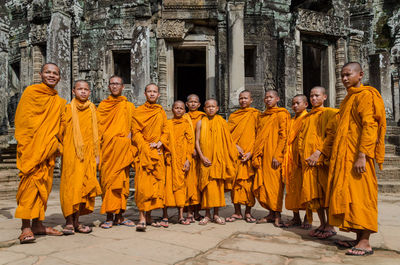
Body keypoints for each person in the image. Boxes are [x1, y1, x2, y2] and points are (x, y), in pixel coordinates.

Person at [322, 62, 386, 256]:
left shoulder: (366, 95)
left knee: (362, 197)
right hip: (345, 156)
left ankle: (365, 241)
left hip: (358, 156)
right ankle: (358, 238)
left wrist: (362, 155)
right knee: (350, 197)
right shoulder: (349, 99)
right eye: (342, 75)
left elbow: (370, 126)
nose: (344, 79)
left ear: (360, 75)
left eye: (348, 74)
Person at [15, 63, 65, 243]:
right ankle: (25, 227)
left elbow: (59, 126)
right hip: (32, 149)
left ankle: (38, 224)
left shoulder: (58, 101)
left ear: (59, 77)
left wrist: (57, 144)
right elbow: (22, 120)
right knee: (28, 188)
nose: (51, 76)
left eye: (55, 73)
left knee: (43, 188)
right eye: (48, 72)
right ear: (41, 74)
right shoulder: (31, 93)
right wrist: (28, 145)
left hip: (47, 150)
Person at [60, 80, 102, 235]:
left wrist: (97, 155)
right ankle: (69, 222)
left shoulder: (93, 109)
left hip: (88, 155)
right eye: (80, 89)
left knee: (82, 189)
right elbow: (60, 131)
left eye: (86, 89)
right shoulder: (67, 109)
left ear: (90, 92)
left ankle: (77, 222)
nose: (83, 92)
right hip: (72, 155)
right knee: (70, 188)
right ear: (73, 91)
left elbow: (97, 133)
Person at [298, 87, 338, 238]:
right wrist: (303, 156)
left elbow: (332, 136)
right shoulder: (307, 118)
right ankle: (322, 224)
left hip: (323, 161)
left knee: (326, 193)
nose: (314, 98)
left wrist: (318, 152)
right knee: (314, 195)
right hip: (309, 162)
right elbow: (302, 139)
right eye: (311, 95)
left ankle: (330, 226)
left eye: (317, 95)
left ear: (325, 97)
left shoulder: (331, 113)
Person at [97, 75, 135, 229]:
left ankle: (120, 216)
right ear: (108, 86)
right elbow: (97, 128)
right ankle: (108, 216)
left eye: (117, 84)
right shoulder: (103, 106)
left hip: (123, 150)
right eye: (112, 84)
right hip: (107, 149)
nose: (114, 86)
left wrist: (127, 140)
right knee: (108, 183)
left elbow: (134, 127)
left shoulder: (129, 106)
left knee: (123, 185)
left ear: (122, 87)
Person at [132, 83, 168, 231]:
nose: (152, 94)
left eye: (155, 92)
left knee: (155, 187)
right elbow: (135, 132)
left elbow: (166, 130)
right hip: (144, 152)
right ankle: (141, 217)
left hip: (157, 153)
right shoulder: (138, 111)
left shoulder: (161, 112)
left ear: (158, 95)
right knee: (142, 187)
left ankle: (149, 216)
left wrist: (160, 143)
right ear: (145, 94)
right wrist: (145, 146)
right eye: (149, 91)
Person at [195, 99, 237, 225]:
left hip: (218, 160)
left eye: (213, 106)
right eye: (208, 107)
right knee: (207, 188)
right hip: (205, 160)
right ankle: (207, 215)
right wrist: (202, 157)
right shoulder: (200, 122)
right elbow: (196, 141)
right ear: (204, 108)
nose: (211, 109)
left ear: (217, 108)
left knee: (218, 188)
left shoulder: (222, 122)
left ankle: (217, 214)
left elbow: (227, 141)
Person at [252, 90, 290, 227]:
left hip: (274, 155)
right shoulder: (262, 116)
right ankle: (270, 213)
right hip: (263, 156)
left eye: (271, 97)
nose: (268, 99)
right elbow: (258, 136)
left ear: (277, 99)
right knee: (265, 186)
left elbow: (284, 135)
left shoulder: (281, 114)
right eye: (266, 97)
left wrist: (278, 154)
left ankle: (277, 214)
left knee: (275, 186)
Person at [225, 90, 259, 223]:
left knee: (248, 185)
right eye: (241, 98)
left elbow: (259, 136)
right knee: (235, 185)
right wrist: (235, 146)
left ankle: (248, 212)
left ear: (251, 100)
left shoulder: (256, 115)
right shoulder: (234, 116)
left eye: (245, 98)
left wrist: (250, 152)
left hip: (250, 154)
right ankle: (237, 212)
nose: (243, 101)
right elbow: (227, 135)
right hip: (236, 155)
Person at [163, 100, 193, 225]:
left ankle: (180, 215)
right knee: (167, 187)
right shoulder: (167, 123)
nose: (179, 110)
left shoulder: (186, 123)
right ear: (172, 109)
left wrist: (188, 159)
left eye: (181, 108)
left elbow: (190, 141)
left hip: (181, 159)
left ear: (184, 110)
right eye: (176, 108)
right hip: (169, 159)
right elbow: (164, 137)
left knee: (181, 187)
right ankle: (165, 215)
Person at [282, 94, 310, 228]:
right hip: (290, 160)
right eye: (293, 103)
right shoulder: (292, 120)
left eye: (298, 103)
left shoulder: (308, 119)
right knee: (292, 190)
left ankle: (307, 218)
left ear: (306, 104)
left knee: (306, 189)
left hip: (303, 160)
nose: (295, 106)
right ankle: (296, 217)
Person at [183, 94, 206, 222]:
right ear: (187, 104)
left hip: (201, 155)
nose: (192, 104)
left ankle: (197, 212)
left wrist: (201, 151)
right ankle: (189, 212)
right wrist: (190, 150)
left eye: (195, 102)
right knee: (189, 184)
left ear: (199, 104)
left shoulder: (203, 117)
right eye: (190, 102)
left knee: (199, 184)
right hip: (189, 155)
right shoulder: (184, 117)